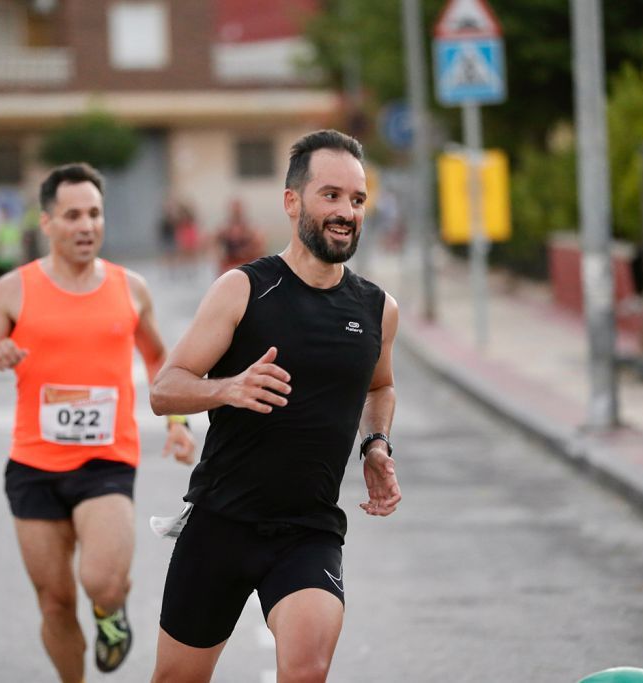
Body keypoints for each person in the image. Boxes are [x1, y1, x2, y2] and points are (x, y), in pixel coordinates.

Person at [148, 129, 401, 682]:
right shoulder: (243, 289)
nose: (346, 212)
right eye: (330, 195)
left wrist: (376, 444)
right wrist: (227, 388)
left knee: (307, 671)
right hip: (221, 524)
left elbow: (379, 387)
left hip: (307, 530)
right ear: (293, 202)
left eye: (357, 200)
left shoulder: (377, 309)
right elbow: (165, 388)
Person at [0, 162, 196, 683]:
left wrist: (178, 421)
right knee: (55, 602)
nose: (86, 225)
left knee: (102, 583)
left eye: (94, 213)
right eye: (72, 215)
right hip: (33, 466)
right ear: (46, 223)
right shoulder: (12, 291)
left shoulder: (130, 288)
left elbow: (161, 361)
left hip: (105, 461)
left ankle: (112, 614)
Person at [214, 198, 265, 276]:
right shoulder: (224, 230)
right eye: (234, 209)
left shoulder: (251, 230)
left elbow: (260, 248)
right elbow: (215, 245)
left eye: (238, 209)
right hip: (230, 265)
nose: (236, 212)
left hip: (246, 264)